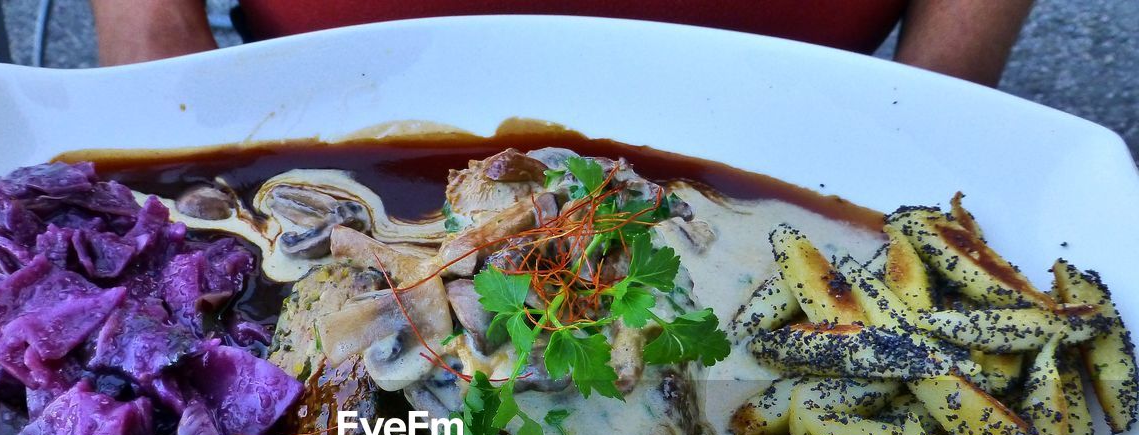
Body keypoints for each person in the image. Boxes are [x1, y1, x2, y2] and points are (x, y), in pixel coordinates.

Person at [91, 0, 1034, 87]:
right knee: (359, 421)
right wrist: (154, 54)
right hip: (339, 81)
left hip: (786, 83)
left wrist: (932, 101)